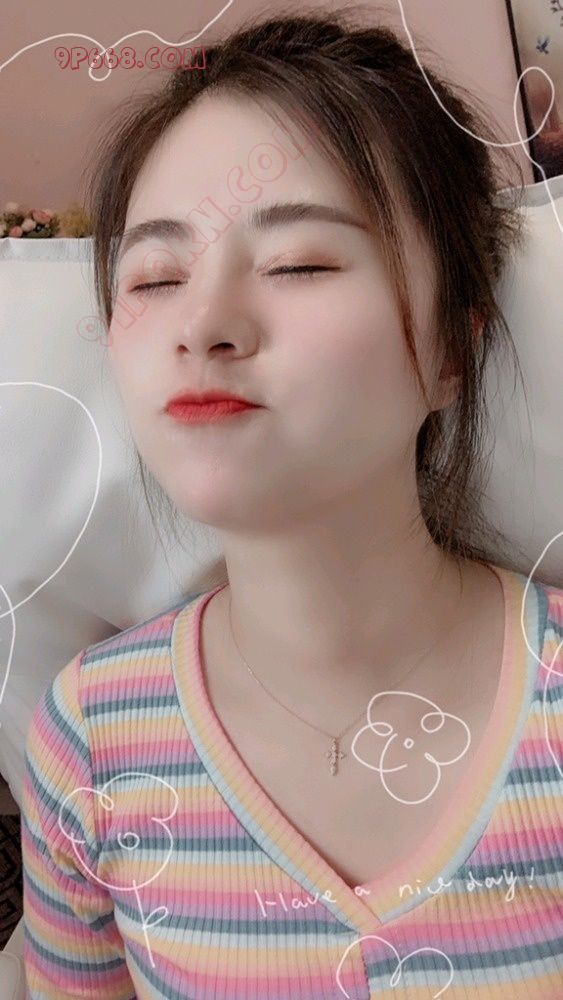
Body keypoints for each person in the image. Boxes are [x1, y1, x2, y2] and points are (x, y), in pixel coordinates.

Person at [20, 6, 563, 997]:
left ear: (452, 347)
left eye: (298, 263)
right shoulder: (91, 741)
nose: (202, 324)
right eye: (155, 275)